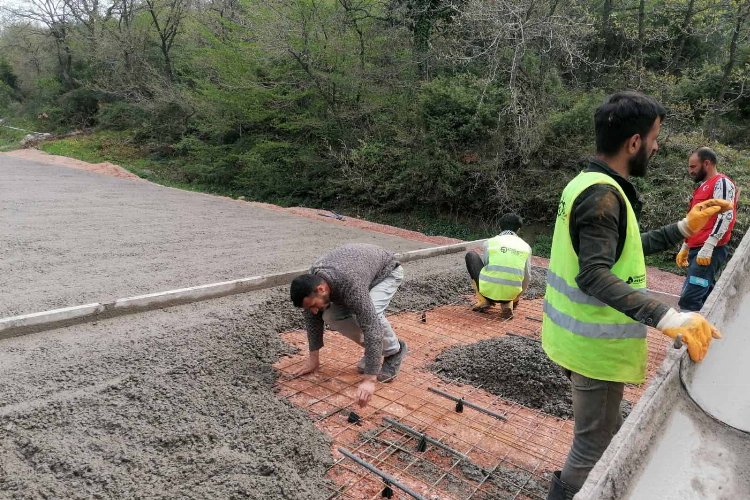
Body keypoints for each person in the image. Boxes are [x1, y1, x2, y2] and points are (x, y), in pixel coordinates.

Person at [541, 91, 730, 499]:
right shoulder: (603, 195)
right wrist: (670, 317)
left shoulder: (588, 184)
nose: (657, 146)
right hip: (594, 349)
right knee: (591, 447)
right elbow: (594, 274)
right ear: (634, 143)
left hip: (575, 340)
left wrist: (683, 228)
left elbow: (620, 249)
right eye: (655, 137)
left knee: (594, 438)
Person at [289, 243, 408, 408]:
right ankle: (374, 351)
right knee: (330, 315)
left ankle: (394, 351)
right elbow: (312, 317)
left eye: (313, 305)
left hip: (385, 273)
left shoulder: (350, 283)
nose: (314, 311)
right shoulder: (312, 282)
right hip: (357, 273)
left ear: (321, 289)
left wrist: (369, 380)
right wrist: (313, 359)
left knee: (372, 312)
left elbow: (371, 325)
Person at [676, 147, 738, 311]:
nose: (690, 171)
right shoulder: (703, 186)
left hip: (710, 250)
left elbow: (725, 215)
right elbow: (695, 219)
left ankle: (685, 336)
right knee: (706, 295)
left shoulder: (722, 183)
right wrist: (686, 245)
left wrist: (710, 244)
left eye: (693, 167)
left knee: (690, 298)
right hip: (697, 249)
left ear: (707, 163)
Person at [465, 213, 532, 318]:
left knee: (471, 256)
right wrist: (516, 298)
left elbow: (487, 268)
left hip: (488, 291)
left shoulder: (489, 243)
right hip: (511, 294)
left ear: (500, 227)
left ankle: (485, 301)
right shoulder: (526, 247)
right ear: (518, 229)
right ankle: (507, 305)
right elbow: (527, 277)